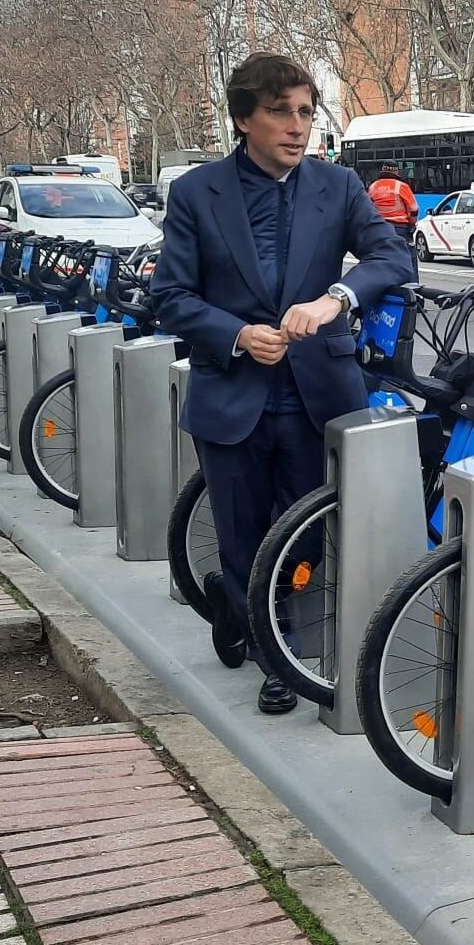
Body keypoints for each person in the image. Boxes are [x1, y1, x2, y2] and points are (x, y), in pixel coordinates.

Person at [150, 52, 416, 715]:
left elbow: (392, 256)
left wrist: (336, 300)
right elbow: (170, 297)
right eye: (280, 112)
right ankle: (273, 653)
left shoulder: (339, 187)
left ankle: (255, 619)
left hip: (317, 397)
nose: (297, 127)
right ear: (245, 119)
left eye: (305, 112)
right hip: (232, 395)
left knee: (305, 540)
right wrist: (237, 334)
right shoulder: (195, 193)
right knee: (242, 536)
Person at [368, 164, 419, 243]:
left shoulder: (373, 186)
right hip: (399, 228)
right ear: (396, 171)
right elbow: (413, 209)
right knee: (406, 252)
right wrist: (412, 223)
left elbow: (368, 208)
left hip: (378, 227)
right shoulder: (401, 186)